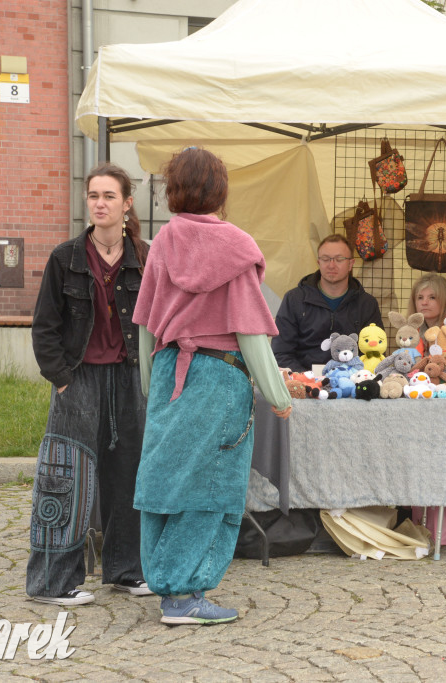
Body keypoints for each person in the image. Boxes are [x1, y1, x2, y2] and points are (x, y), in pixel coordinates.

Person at [132, 147, 292, 626]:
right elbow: (250, 330)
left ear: (172, 189)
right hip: (219, 376)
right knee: (210, 483)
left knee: (165, 476)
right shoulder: (237, 246)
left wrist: (151, 385)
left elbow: (146, 322)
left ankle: (169, 584)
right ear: (220, 191)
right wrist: (277, 395)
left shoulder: (162, 242)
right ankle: (185, 595)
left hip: (169, 372)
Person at [27, 163, 150, 606]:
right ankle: (51, 583)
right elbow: (44, 327)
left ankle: (126, 571)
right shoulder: (66, 258)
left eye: (109, 196)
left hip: (128, 378)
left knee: (129, 477)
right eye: (94, 196)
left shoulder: (146, 257)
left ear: (126, 203)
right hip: (78, 378)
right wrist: (60, 379)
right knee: (66, 478)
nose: (100, 203)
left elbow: (158, 322)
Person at [271, 234, 382, 371]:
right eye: (325, 259)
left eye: (339, 259)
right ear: (318, 263)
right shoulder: (294, 299)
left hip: (352, 382)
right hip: (304, 382)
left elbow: (374, 351)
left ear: (350, 264)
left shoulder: (367, 304)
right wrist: (307, 380)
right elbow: (281, 352)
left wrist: (353, 379)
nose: (331, 265)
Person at [407, 272, 446, 336]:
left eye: (432, 298)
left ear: (445, 300)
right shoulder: (410, 332)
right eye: (420, 297)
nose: (424, 303)